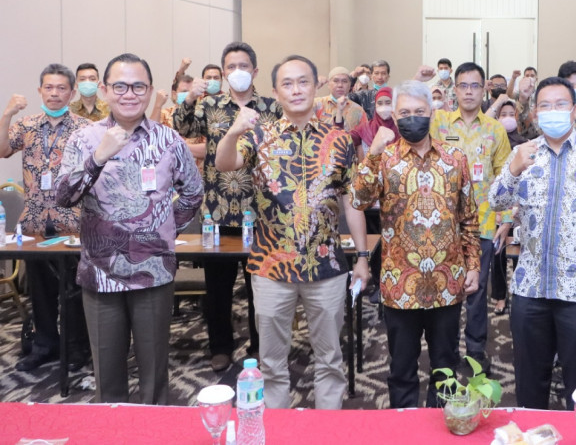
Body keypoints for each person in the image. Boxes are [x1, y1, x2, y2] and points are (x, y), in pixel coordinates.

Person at [215, 55, 370, 409]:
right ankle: (277, 427)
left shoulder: (340, 140)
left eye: (303, 82)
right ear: (275, 92)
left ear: (316, 87)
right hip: (271, 266)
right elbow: (224, 163)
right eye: (287, 83)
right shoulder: (258, 135)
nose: (296, 90)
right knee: (271, 362)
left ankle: (327, 425)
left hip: (327, 266)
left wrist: (362, 257)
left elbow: (352, 202)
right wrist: (234, 131)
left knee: (330, 359)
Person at [55, 53, 203, 404]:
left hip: (154, 271)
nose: (129, 94)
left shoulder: (169, 140)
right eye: (120, 86)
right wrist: (98, 158)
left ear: (150, 91)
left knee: (154, 373)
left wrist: (163, 230)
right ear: (104, 90)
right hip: (100, 273)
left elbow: (193, 192)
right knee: (107, 375)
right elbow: (64, 197)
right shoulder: (84, 139)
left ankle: (154, 428)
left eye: (138, 86)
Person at [490, 76, 576, 410]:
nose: (553, 111)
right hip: (530, 288)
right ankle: (532, 432)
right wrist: (513, 169)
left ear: (574, 110)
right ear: (535, 113)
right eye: (545, 105)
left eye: (561, 104)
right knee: (529, 381)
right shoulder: (524, 154)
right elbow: (496, 201)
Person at [349, 80, 480, 408]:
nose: (412, 118)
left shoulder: (455, 159)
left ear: (431, 113)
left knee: (446, 367)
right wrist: (372, 154)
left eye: (419, 111)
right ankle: (403, 427)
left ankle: (443, 423)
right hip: (400, 285)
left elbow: (468, 217)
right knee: (402, 369)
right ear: (394, 116)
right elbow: (358, 200)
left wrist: (474, 265)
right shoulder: (384, 158)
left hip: (447, 282)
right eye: (404, 113)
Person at [173, 41, 281, 372]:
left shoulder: (271, 108)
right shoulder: (209, 105)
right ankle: (220, 346)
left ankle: (260, 346)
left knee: (260, 287)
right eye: (231, 67)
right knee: (218, 288)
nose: (237, 72)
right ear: (222, 73)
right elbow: (182, 128)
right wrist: (189, 98)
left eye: (243, 66)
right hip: (219, 211)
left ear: (255, 71)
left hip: (262, 212)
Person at [0, 64, 91, 372]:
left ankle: (77, 348)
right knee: (40, 292)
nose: (54, 93)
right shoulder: (26, 125)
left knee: (76, 292)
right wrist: (7, 114)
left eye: (61, 88)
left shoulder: (85, 128)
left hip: (73, 223)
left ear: (72, 93)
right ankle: (45, 345)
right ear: (40, 90)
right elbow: (2, 149)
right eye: (49, 88)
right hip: (36, 223)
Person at [429, 63, 512, 373]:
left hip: (484, 224)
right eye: (462, 85)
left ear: (483, 89)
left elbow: (506, 176)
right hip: (442, 224)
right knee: (447, 291)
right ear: (455, 90)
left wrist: (506, 219)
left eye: (474, 86)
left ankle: (476, 352)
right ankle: (447, 352)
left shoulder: (495, 130)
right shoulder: (438, 123)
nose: (468, 91)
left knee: (477, 293)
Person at [491, 100, 525, 314]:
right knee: (499, 253)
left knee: (521, 251)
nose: (508, 118)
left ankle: (520, 294)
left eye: (511, 114)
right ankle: (500, 296)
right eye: (503, 114)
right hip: (499, 205)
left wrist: (515, 211)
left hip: (520, 207)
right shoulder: (492, 142)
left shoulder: (524, 144)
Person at [158, 74, 206, 175]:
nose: (188, 95)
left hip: (197, 176)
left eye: (191, 92)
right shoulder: (164, 115)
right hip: (169, 176)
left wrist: (176, 146)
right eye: (184, 92)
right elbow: (152, 142)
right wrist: (157, 106)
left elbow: (208, 149)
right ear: (174, 94)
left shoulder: (202, 115)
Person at [350, 86, 398, 157]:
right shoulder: (365, 128)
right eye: (380, 103)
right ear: (375, 105)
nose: (383, 107)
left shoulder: (402, 129)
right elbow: (346, 139)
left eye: (388, 103)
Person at [314, 66, 365, 133]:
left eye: (344, 81)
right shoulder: (317, 104)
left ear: (350, 85)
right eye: (336, 81)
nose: (340, 85)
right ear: (328, 84)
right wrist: (314, 88)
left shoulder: (358, 110)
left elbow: (365, 135)